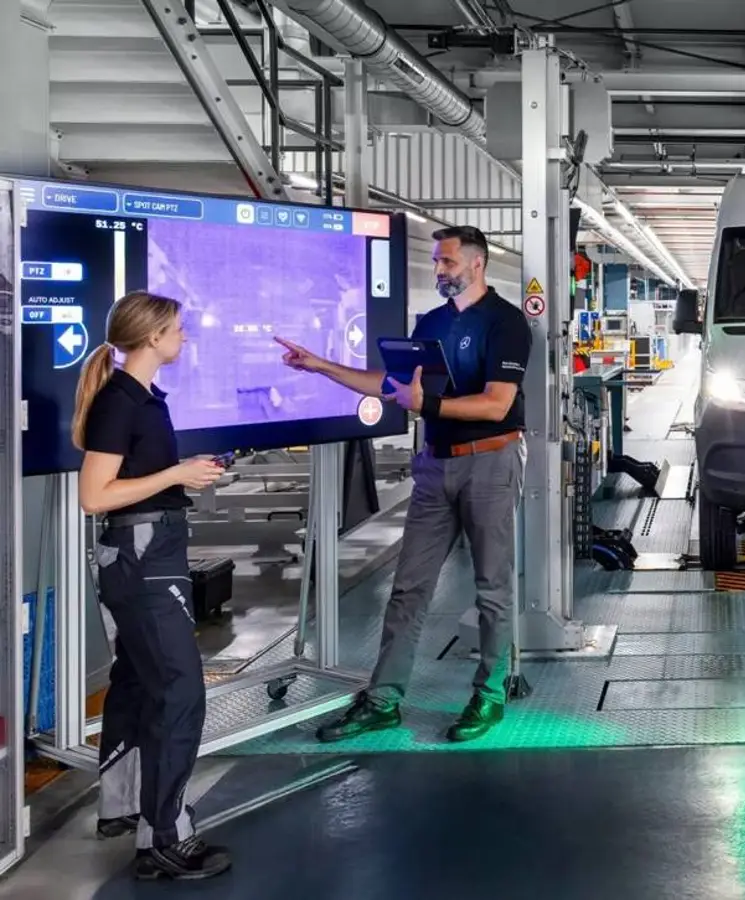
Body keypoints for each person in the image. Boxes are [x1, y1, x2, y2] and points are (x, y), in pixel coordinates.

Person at [276, 225, 531, 744]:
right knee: (409, 587)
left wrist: (426, 404)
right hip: (435, 467)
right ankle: (384, 700)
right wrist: (320, 367)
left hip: (490, 462)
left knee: (492, 588)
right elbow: (392, 385)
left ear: (476, 264)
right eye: (436, 261)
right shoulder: (431, 323)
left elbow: (497, 404)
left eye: (447, 261)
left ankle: (489, 696)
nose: (439, 269)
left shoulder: (506, 322)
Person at [74, 291, 231, 881]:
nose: (184, 336)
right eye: (178, 329)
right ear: (152, 337)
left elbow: (135, 479)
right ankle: (164, 839)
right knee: (179, 690)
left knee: (138, 680)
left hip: (150, 548)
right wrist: (175, 474)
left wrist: (181, 480)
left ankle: (120, 806)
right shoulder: (120, 402)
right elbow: (94, 495)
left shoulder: (143, 398)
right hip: (141, 557)